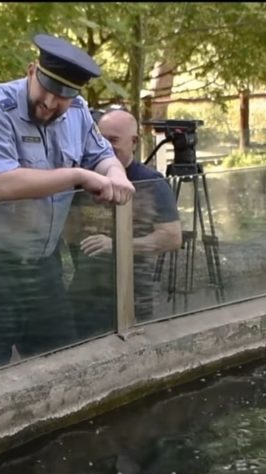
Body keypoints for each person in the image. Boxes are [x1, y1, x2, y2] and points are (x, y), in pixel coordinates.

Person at [0, 34, 136, 378]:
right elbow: (3, 184)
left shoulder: (78, 113)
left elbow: (103, 155)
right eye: (45, 88)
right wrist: (80, 175)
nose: (50, 102)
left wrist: (116, 175)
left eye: (63, 96)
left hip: (42, 261)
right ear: (32, 71)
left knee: (60, 366)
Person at [67, 108, 182, 339]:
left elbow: (172, 238)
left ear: (134, 142)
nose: (106, 147)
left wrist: (117, 245)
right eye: (101, 139)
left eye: (113, 140)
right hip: (82, 298)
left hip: (132, 299)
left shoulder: (151, 183)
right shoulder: (83, 179)